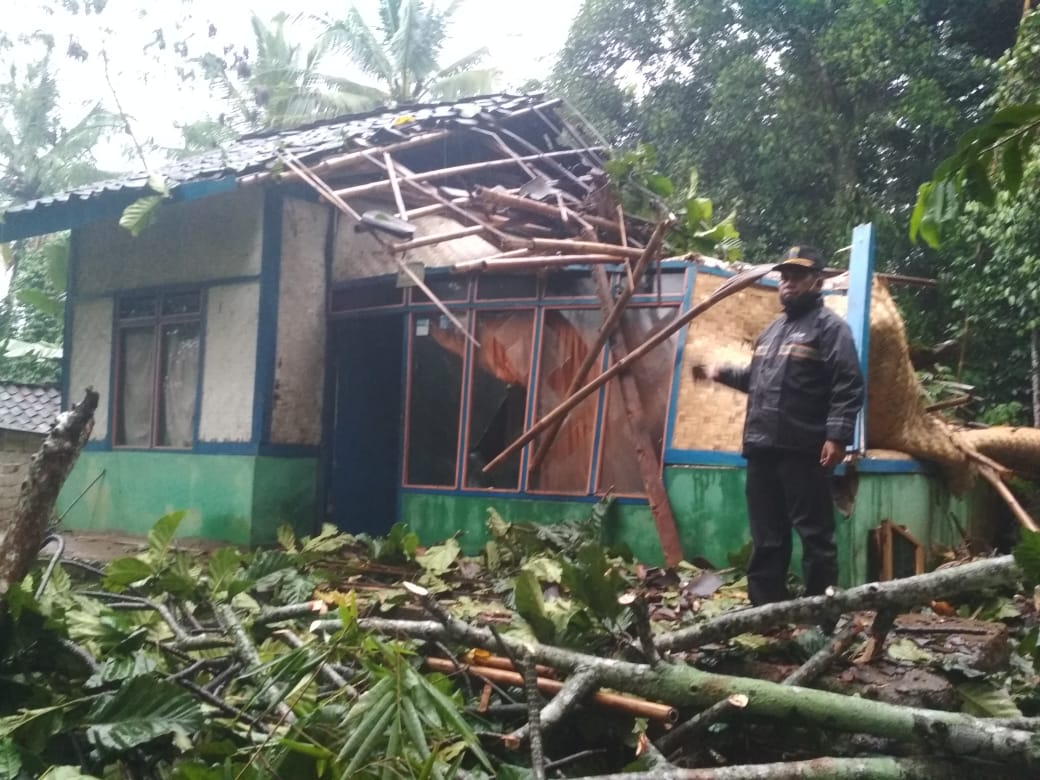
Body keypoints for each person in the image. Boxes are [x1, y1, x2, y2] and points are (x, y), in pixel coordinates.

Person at [694, 246, 864, 605]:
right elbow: (756, 379)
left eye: (797, 277)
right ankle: (764, 611)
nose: (787, 283)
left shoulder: (832, 329)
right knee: (767, 535)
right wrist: (719, 373)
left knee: (814, 534)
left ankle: (821, 613)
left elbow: (847, 383)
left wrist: (837, 437)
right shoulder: (772, 332)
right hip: (762, 447)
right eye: (784, 276)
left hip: (803, 447)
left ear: (816, 282)